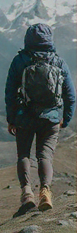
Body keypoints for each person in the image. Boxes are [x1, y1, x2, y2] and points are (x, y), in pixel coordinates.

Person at [5, 23, 75, 215]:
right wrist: (65, 120)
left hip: (24, 117)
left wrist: (11, 118)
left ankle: (27, 193)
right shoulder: (58, 62)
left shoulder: (20, 61)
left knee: (24, 155)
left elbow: (10, 92)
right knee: (45, 155)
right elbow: (70, 95)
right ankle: (45, 191)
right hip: (51, 118)